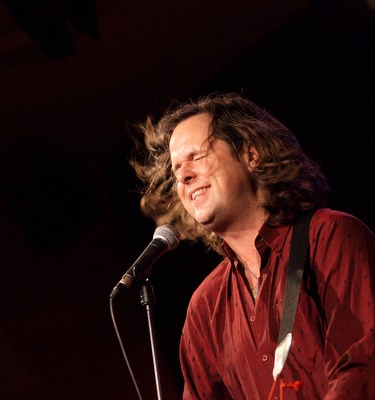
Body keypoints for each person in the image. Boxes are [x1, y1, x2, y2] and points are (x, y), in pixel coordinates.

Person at [130, 92, 375, 399]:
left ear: (251, 154)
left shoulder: (329, 237)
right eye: (178, 170)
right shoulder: (204, 310)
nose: (184, 176)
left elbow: (364, 365)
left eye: (196, 157)